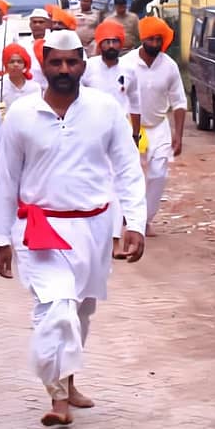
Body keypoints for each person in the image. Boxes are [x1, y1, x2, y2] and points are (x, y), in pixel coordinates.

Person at [0, 30, 146, 428]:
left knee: (79, 314)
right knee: (54, 310)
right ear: (42, 64)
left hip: (94, 228)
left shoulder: (105, 108)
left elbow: (128, 168)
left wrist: (136, 222)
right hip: (39, 230)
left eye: (71, 62)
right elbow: (6, 179)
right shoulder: (22, 115)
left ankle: (67, 379)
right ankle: (57, 399)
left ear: (83, 63)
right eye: (56, 62)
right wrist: (0, 237)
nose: (64, 70)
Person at [121, 17, 186, 237]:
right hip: (131, 127)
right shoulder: (127, 63)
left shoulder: (169, 66)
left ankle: (144, 220)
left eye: (160, 39)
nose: (156, 43)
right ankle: (129, 216)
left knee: (158, 174)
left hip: (159, 127)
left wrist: (179, 135)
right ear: (143, 39)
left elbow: (179, 103)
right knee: (133, 174)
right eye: (151, 39)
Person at [82, 19, 142, 258]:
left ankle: (115, 240)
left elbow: (135, 103)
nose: (110, 45)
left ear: (121, 43)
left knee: (117, 186)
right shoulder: (87, 68)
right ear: (99, 43)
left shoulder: (129, 70)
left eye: (114, 41)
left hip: (119, 135)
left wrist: (136, 135)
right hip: (90, 133)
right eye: (105, 41)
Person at [0, 44, 40, 113]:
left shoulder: (35, 88)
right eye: (11, 62)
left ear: (25, 64)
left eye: (19, 61)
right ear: (6, 64)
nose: (15, 65)